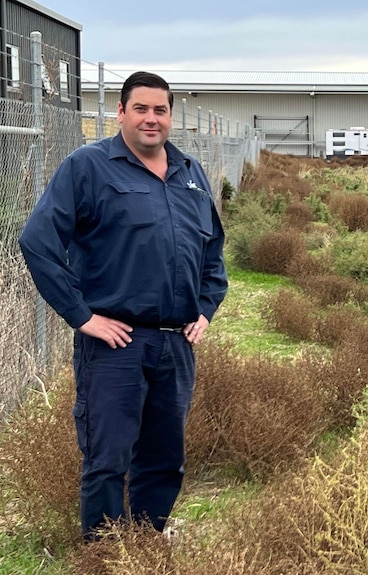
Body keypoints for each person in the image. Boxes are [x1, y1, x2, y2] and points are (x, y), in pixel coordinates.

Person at [19, 71, 228, 538]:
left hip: (175, 346)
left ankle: (147, 544)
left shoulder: (190, 174)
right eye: (141, 109)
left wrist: (205, 308)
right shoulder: (88, 167)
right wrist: (82, 316)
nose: (151, 119)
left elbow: (212, 251)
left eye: (160, 110)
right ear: (120, 113)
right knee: (108, 459)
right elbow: (36, 241)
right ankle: (104, 554)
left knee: (164, 457)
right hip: (117, 344)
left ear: (171, 116)